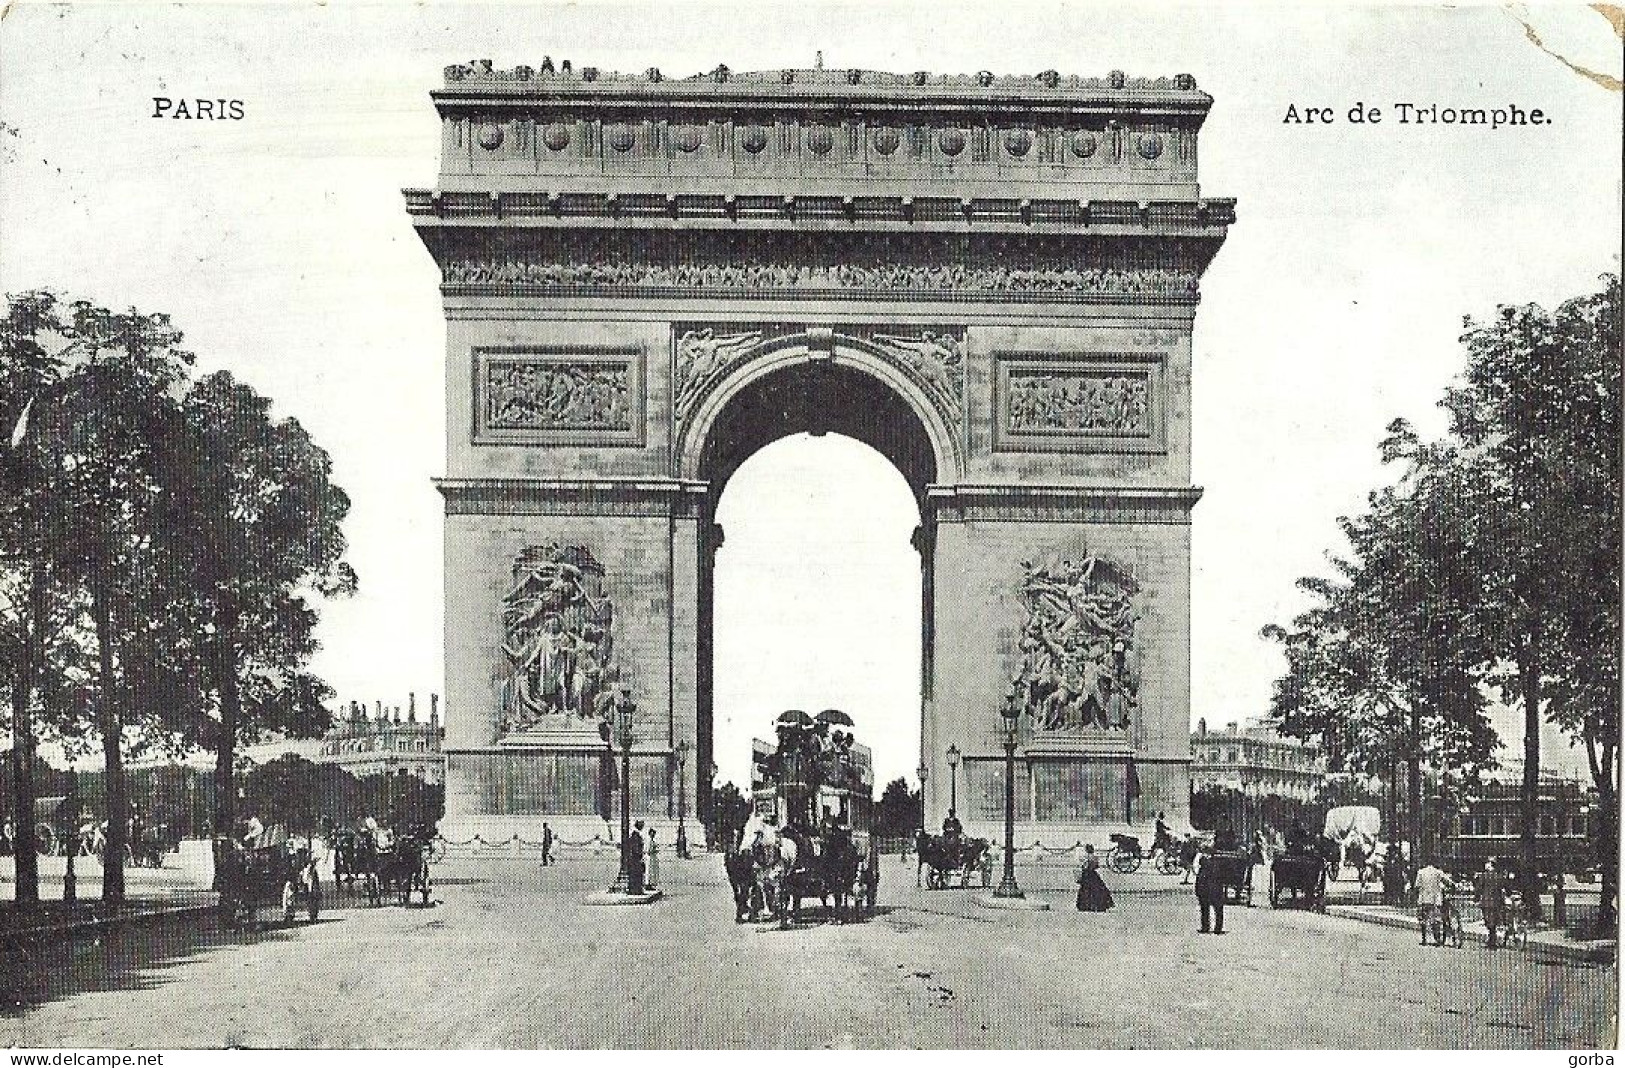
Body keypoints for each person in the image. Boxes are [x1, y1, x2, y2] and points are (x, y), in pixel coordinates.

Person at [1414, 861, 1450, 946]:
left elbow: (1417, 885)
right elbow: (1448, 882)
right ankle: (1437, 938)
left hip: (1423, 898)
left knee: (1423, 919)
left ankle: (1424, 939)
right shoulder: (1438, 872)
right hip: (1435, 899)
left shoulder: (1421, 872)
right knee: (1435, 919)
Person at [1195, 849, 1226, 935]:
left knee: (1204, 908)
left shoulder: (1202, 866)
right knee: (1218, 909)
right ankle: (1218, 928)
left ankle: (1205, 927)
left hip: (1205, 888)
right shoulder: (1218, 864)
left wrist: (1198, 891)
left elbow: (1198, 875)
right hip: (1215, 888)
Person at [1478, 858, 1507, 950]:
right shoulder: (1499, 876)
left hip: (1486, 902)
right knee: (1494, 920)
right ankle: (1492, 940)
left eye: (1487, 863)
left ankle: (1492, 940)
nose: (1485, 865)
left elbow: (1479, 888)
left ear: (1490, 865)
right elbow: (1505, 886)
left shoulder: (1484, 876)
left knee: (1488, 921)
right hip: (1497, 902)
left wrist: (1476, 898)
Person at [1075, 845, 1114, 911]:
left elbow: (1084, 866)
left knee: (1085, 890)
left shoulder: (1085, 857)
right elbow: (1097, 866)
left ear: (1086, 850)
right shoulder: (1095, 857)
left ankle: (1085, 906)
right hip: (1093, 874)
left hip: (1086, 874)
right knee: (1098, 889)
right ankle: (1099, 905)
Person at [625, 819, 646, 894]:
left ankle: (635, 889)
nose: (643, 826)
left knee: (635, 874)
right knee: (636, 874)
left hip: (634, 858)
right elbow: (636, 848)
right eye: (642, 825)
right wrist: (640, 856)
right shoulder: (636, 835)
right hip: (635, 859)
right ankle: (636, 890)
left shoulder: (635, 834)